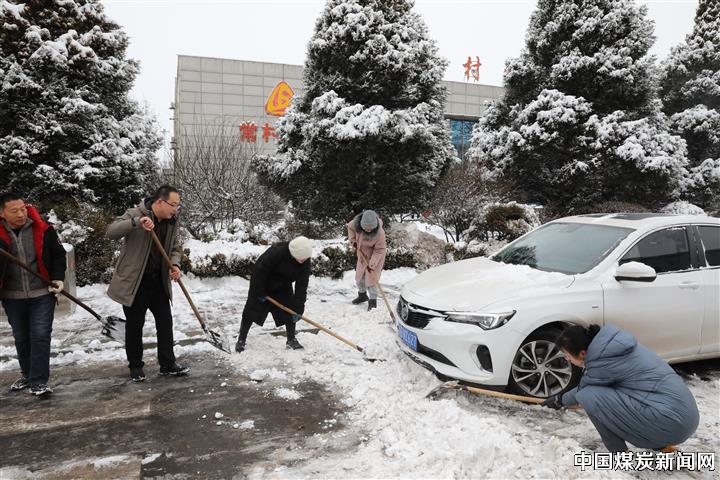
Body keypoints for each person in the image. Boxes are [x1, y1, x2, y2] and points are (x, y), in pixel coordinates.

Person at [542, 324, 700, 453]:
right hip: (686, 418)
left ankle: (619, 453)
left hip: (671, 423)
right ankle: (660, 443)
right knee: (609, 393)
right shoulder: (616, 347)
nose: (566, 359)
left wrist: (558, 400)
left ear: (582, 353)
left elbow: (582, 390)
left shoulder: (602, 362)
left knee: (588, 396)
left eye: (567, 355)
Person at [106, 185, 189, 382]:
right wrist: (136, 223)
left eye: (178, 205)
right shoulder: (135, 213)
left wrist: (174, 264)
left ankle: (167, 364)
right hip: (135, 283)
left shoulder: (171, 222)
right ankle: (135, 366)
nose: (176, 209)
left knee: (165, 321)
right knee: (135, 325)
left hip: (158, 281)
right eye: (173, 204)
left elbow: (175, 247)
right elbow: (111, 231)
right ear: (160, 202)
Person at [0, 192, 67, 396]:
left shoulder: (43, 228)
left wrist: (57, 278)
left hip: (41, 293)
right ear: (2, 213)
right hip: (12, 295)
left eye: (23, 209)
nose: (21, 214)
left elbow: (59, 255)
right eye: (14, 211)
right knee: (21, 337)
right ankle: (28, 375)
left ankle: (39, 381)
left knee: (40, 335)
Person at [235, 236, 313, 353]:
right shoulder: (277, 251)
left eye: (305, 258)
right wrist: (259, 290)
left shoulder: (305, 261)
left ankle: (291, 339)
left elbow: (302, 286)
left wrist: (299, 308)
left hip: (283, 286)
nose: (303, 260)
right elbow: (259, 270)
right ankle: (241, 339)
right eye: (301, 258)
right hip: (263, 283)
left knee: (290, 311)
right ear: (294, 253)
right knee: (251, 311)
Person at [346, 210, 386, 311]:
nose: (368, 230)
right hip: (362, 255)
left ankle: (373, 301)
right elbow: (349, 227)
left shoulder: (380, 233)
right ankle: (362, 296)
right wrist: (353, 241)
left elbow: (380, 250)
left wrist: (372, 265)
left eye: (370, 228)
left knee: (371, 280)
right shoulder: (356, 224)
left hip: (375, 257)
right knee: (359, 278)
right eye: (366, 228)